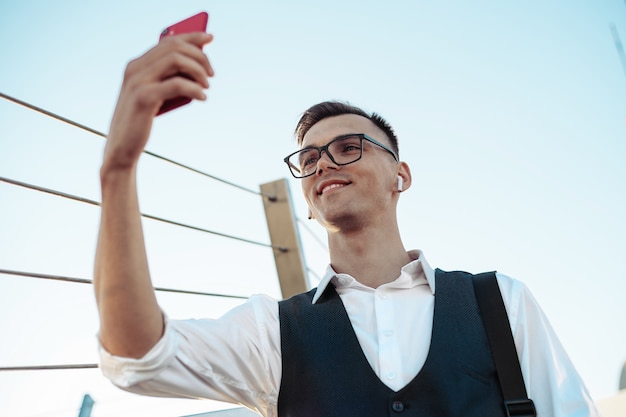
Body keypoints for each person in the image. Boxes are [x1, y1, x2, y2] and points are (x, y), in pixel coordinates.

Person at [94, 31, 600, 417]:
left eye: (348, 147)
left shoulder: (500, 303)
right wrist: (117, 170)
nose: (324, 164)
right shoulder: (273, 332)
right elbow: (140, 357)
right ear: (308, 204)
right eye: (309, 157)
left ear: (399, 176)